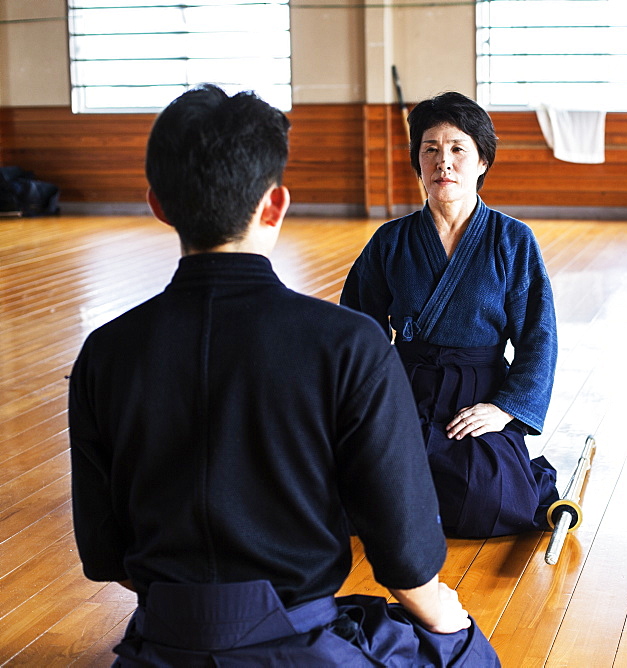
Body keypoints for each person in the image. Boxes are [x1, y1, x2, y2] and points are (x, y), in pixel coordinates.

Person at [68, 84, 499, 666]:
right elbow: (404, 550)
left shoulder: (104, 352)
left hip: (162, 643)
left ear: (158, 205)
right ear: (275, 205)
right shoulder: (348, 344)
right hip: (301, 642)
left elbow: (103, 555)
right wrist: (446, 617)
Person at [341, 91, 560, 539]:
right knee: (359, 494)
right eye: (431, 150)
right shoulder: (391, 241)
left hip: (477, 393)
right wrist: (368, 401)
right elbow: (357, 327)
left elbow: (539, 336)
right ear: (418, 162)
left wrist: (504, 409)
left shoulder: (512, 240)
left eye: (458, 149)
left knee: (487, 502)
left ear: (482, 162)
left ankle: (516, 469)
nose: (444, 163)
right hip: (407, 386)